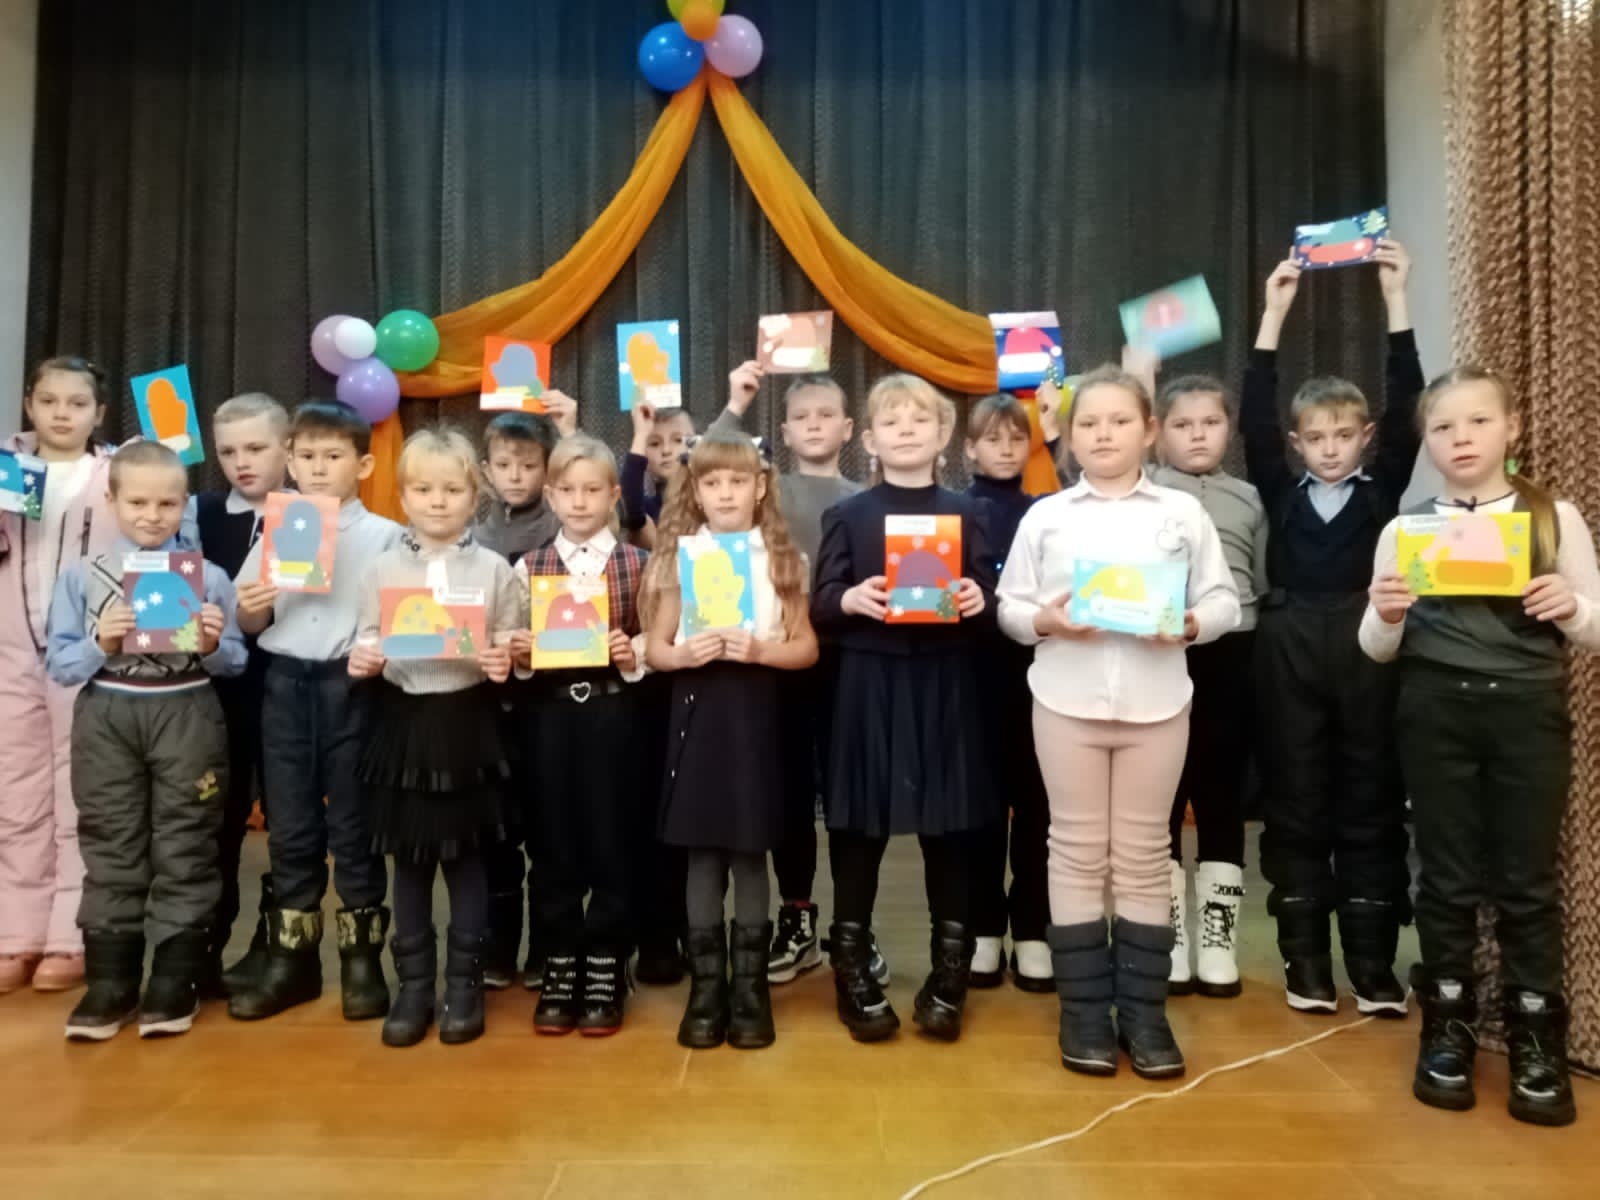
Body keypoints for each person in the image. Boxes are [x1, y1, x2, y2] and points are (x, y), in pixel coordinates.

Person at [1361, 366, 1598, 1126]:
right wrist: (1386, 612)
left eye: (1478, 422)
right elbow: (1376, 647)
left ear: (1512, 428)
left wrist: (1572, 606)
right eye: (1442, 427)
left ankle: (1537, 1041)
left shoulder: (1553, 518)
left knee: (1528, 880)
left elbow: (1596, 627)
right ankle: (1448, 1028)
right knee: (1445, 877)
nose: (1460, 439)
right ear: (1425, 441)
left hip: (1527, 712)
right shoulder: (1406, 530)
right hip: (1435, 711)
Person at [998, 365, 1239, 1078]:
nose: (1103, 434)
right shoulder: (1046, 516)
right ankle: (1082, 1014)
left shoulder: (1182, 514)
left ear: (1149, 431)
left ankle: (1143, 1013)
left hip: (1158, 705)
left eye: (1120, 421)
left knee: (1141, 856)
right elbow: (1010, 608)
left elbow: (1224, 602)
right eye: (1088, 423)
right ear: (1069, 435)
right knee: (1073, 851)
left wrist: (1189, 624)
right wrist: (1046, 621)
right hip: (1063, 703)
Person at [1244, 240, 1421, 1016]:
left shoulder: (1383, 492)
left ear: (1365, 437)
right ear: (1296, 443)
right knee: (1296, 798)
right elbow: (1254, 413)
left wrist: (1395, 299)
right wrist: (1273, 313)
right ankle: (1306, 961)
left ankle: (1373, 964)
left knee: (1371, 794)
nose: (1328, 448)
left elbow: (1409, 401)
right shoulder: (1280, 490)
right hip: (1287, 646)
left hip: (1367, 644)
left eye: (1343, 435)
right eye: (1314, 437)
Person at [811, 373, 996, 1044]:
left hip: (945, 682)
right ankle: (851, 970)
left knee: (949, 829)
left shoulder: (969, 512)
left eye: (921, 420)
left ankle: (949, 978)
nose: (908, 430)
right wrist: (849, 598)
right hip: (868, 681)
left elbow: (992, 600)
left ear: (945, 435)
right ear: (869, 440)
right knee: (858, 828)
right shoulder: (848, 514)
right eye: (892, 422)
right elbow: (821, 601)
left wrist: (979, 599)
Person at [46, 440, 247, 1039]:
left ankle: (174, 979)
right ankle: (110, 981)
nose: (152, 515)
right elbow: (60, 665)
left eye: (166, 503)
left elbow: (236, 661)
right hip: (108, 717)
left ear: (184, 504)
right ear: (112, 502)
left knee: (187, 842)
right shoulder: (81, 577)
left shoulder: (208, 578)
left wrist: (210, 644)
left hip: (187, 714)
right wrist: (99, 643)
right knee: (111, 840)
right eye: (137, 502)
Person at [228, 401, 402, 1022]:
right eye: (307, 456)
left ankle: (362, 963)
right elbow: (250, 623)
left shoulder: (386, 535)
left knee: (354, 827)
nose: (319, 468)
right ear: (291, 462)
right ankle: (293, 963)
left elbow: (400, 622)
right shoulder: (278, 528)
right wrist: (254, 602)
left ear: (363, 465)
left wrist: (378, 646)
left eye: (333, 456)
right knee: (291, 827)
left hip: (350, 687)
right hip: (284, 685)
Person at [644, 430, 818, 1050]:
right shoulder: (680, 558)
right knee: (702, 853)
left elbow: (807, 648)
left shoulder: (783, 559)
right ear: (695, 491)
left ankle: (750, 991)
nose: (724, 493)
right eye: (712, 482)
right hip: (697, 715)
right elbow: (657, 649)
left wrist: (762, 650)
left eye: (737, 481)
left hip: (756, 717)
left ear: (760, 487)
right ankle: (706, 989)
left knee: (749, 853)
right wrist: (681, 655)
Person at [350, 428, 523, 1047]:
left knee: (467, 861)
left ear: (475, 496)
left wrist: (504, 659)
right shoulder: (381, 568)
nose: (438, 501)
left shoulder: (495, 569)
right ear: (403, 496)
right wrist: (364, 658)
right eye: (423, 490)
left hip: (468, 724)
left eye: (452, 489)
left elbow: (509, 643)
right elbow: (367, 637)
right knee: (412, 861)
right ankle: (415, 988)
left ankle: (464, 986)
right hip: (404, 724)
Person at [710, 362, 868, 986]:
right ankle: (797, 916)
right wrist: (735, 404)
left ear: (849, 428)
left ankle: (856, 928)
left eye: (826, 415)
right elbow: (708, 461)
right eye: (801, 417)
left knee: (852, 799)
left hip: (850, 663)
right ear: (783, 431)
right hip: (779, 667)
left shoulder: (863, 499)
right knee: (791, 797)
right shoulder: (766, 490)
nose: (814, 425)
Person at [509, 435, 650, 1037]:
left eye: (593, 489)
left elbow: (656, 636)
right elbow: (512, 642)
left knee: (612, 837)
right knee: (553, 839)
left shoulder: (639, 564)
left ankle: (607, 961)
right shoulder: (528, 566)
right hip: (549, 716)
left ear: (614, 495)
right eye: (567, 490)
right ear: (550, 495)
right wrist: (519, 653)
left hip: (614, 716)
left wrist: (634, 650)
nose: (579, 500)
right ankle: (560, 958)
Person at [0, 357, 119, 996]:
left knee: (81, 791)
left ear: (98, 413)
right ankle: (14, 932)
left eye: (76, 403)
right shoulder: (8, 467)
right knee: (15, 795)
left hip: (86, 649)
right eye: (49, 401)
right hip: (11, 651)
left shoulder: (117, 473)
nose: (61, 413)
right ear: (30, 406)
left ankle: (69, 935)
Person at [1151, 373, 1268, 998]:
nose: (1197, 435)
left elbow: (1262, 583)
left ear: (1230, 430)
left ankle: (1218, 940)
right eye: (1182, 424)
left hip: (1232, 657)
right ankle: (1167, 935)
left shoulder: (1249, 498)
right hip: (1162, 654)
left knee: (1222, 795)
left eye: (1211, 423)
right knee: (1162, 796)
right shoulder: (1145, 492)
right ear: (1158, 433)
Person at [182, 392, 291, 996]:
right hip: (214, 694)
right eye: (227, 451)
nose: (241, 462)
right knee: (215, 824)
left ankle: (275, 950)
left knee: (290, 826)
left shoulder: (309, 516)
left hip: (285, 692)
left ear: (287, 447)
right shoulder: (196, 512)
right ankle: (202, 952)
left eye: (255, 448)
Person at [962, 389, 1060, 992]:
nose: (1005, 448)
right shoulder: (950, 512)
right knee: (980, 806)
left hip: (1041, 672)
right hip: (972, 676)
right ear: (969, 447)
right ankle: (982, 928)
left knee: (1038, 803)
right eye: (992, 438)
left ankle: (1032, 929)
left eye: (1017, 438)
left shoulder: (1048, 510)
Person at [472, 408, 561, 992]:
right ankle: (498, 947)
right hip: (485, 699)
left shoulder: (562, 530)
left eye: (528, 465)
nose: (515, 475)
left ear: (548, 470)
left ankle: (547, 948)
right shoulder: (472, 535)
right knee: (496, 831)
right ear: (485, 470)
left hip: (547, 698)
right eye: (504, 464)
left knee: (548, 827)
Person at [620, 403, 696, 548]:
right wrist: (641, 435)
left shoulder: (711, 499)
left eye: (678, 440)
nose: (666, 450)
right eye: (654, 444)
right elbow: (630, 505)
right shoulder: (648, 509)